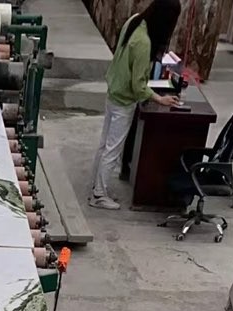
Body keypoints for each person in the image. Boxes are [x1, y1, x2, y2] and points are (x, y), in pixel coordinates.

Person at [89, 0, 182, 211]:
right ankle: (99, 195)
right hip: (124, 101)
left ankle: (97, 187)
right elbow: (138, 86)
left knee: (104, 144)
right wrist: (160, 99)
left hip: (114, 90)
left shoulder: (135, 21)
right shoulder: (144, 43)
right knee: (113, 149)